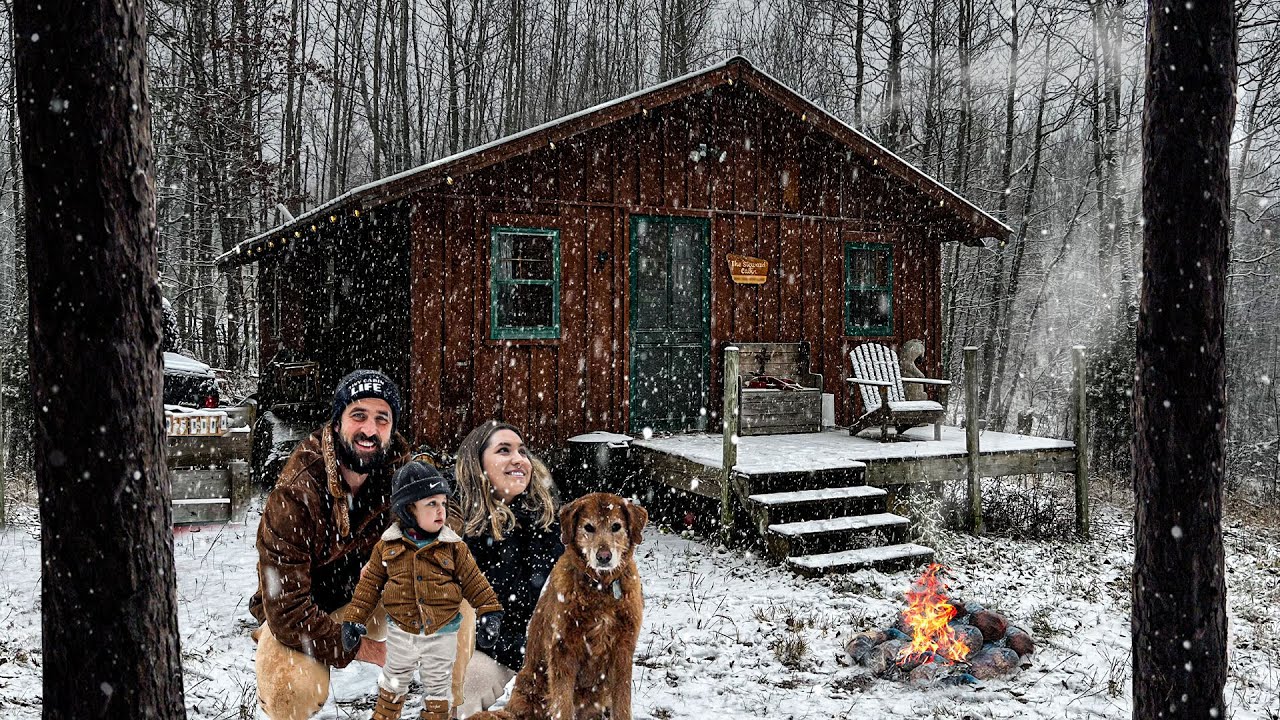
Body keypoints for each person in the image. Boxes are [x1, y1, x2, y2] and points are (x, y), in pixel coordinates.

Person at [249, 369, 411, 720]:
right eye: (358, 416)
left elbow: (447, 516)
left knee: (456, 601)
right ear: (337, 423)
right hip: (307, 610)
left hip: (368, 597)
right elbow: (290, 612)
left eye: (382, 419)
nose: (370, 430)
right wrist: (373, 651)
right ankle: (268, 636)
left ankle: (455, 707)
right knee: (290, 689)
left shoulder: (401, 469)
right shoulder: (295, 492)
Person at [341, 461, 505, 720]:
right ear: (408, 509)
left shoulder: (454, 547)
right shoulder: (387, 547)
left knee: (439, 688)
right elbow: (369, 586)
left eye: (443, 503)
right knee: (393, 682)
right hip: (401, 632)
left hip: (442, 632)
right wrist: (353, 618)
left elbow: (475, 582)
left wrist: (490, 612)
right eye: (431, 504)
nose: (441, 511)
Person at [451, 421, 564, 717]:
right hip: (488, 647)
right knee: (464, 689)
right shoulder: (455, 525)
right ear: (478, 465)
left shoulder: (549, 521)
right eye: (504, 450)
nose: (518, 459)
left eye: (523, 452)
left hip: (548, 645)